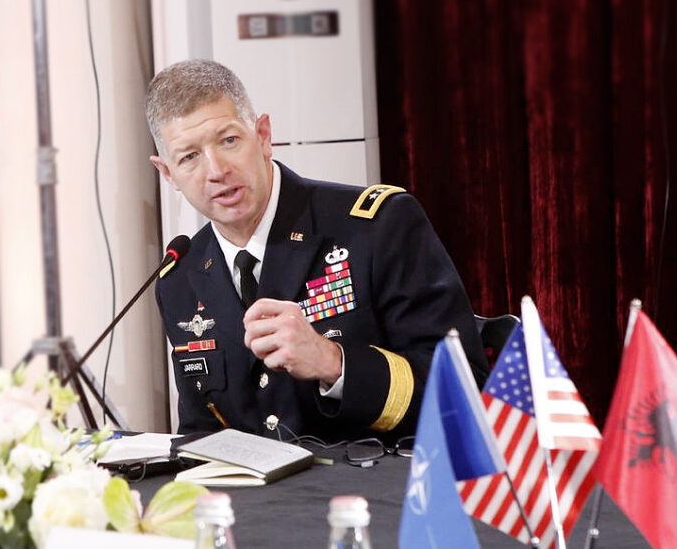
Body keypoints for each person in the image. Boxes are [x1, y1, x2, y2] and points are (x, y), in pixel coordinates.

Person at [147, 60, 488, 441]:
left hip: (377, 477)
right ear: (168, 174)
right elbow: (202, 436)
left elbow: (464, 394)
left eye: (229, 140)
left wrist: (333, 363)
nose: (216, 170)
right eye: (189, 157)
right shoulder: (180, 280)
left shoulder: (377, 227)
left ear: (263, 136)